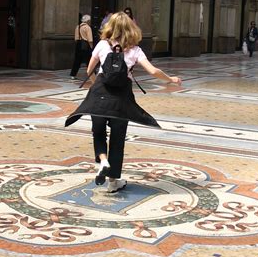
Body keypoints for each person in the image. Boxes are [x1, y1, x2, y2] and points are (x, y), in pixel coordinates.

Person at [65, 11, 182, 193]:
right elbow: (153, 71)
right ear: (130, 29)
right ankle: (113, 181)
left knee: (98, 132)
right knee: (117, 139)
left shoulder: (102, 45)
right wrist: (171, 79)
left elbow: (90, 70)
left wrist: (98, 88)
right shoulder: (135, 50)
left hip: (99, 95)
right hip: (122, 98)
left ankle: (103, 161)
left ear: (109, 27)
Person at [70, 15, 93, 80]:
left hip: (78, 44)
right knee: (89, 60)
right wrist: (91, 46)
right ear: (88, 20)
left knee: (77, 60)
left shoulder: (78, 26)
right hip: (85, 44)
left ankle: (73, 74)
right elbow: (90, 39)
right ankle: (91, 74)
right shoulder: (87, 27)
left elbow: (76, 38)